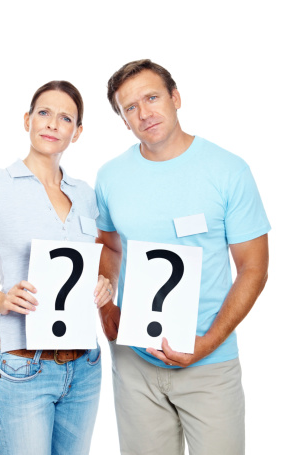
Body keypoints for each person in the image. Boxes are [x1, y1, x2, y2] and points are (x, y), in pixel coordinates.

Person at [95, 59, 270, 455]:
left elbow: (254, 268)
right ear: (123, 120)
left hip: (209, 364)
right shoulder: (110, 176)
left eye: (152, 97)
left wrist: (207, 343)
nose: (144, 113)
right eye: (130, 108)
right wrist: (107, 313)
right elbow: (108, 245)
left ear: (175, 98)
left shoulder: (228, 170)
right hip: (135, 365)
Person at [0, 80, 113, 455]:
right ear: (27, 120)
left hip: (84, 365)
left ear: (77, 133)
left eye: (65, 118)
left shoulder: (85, 194)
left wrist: (104, 283)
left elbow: (94, 261)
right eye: (44, 113)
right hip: (22, 367)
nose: (52, 124)